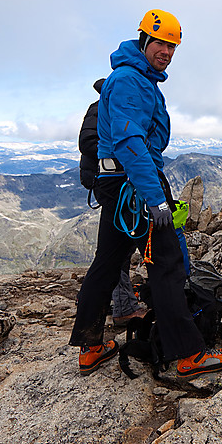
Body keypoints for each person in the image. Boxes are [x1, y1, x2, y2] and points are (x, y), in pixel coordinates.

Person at [69, 9, 222, 377]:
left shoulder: (138, 79)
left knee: (107, 263)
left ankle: (90, 347)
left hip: (118, 187)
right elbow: (130, 143)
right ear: (144, 40)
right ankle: (189, 354)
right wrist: (155, 197)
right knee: (167, 262)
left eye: (172, 47)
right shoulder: (130, 81)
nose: (167, 52)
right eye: (161, 43)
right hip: (134, 187)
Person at [78, 78, 147, 326]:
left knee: (118, 250)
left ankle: (121, 305)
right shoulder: (100, 109)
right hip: (112, 187)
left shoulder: (109, 109)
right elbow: (86, 142)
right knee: (118, 250)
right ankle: (124, 308)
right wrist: (122, 146)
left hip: (115, 186)